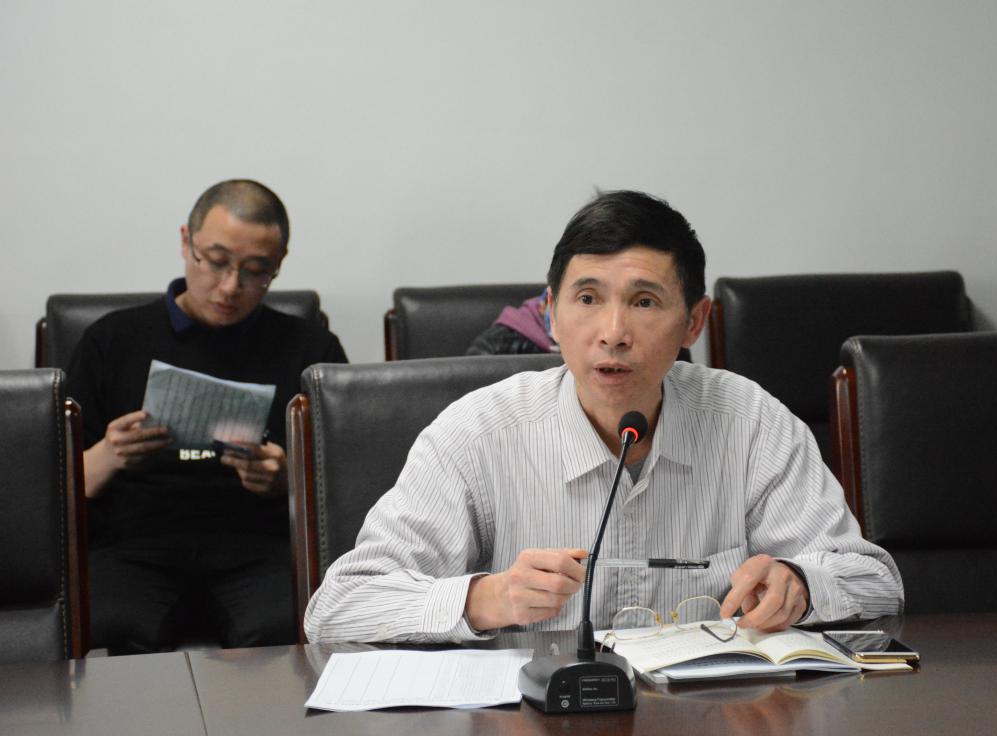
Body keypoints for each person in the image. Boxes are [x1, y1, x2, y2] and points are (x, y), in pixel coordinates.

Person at [305, 190, 902, 644]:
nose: (613, 333)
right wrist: (488, 599)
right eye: (588, 299)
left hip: (705, 729)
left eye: (644, 302)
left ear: (694, 322)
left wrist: (800, 583)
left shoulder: (752, 423)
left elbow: (875, 580)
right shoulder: (477, 433)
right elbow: (338, 607)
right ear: (551, 313)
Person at [67, 179, 348, 653]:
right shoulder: (111, 340)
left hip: (260, 547)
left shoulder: (311, 350)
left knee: (286, 633)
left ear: (278, 264)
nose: (230, 287)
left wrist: (288, 479)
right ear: (186, 241)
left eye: (255, 271)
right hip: (135, 544)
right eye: (215, 262)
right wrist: (109, 455)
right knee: (113, 629)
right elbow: (51, 489)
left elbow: (349, 486)